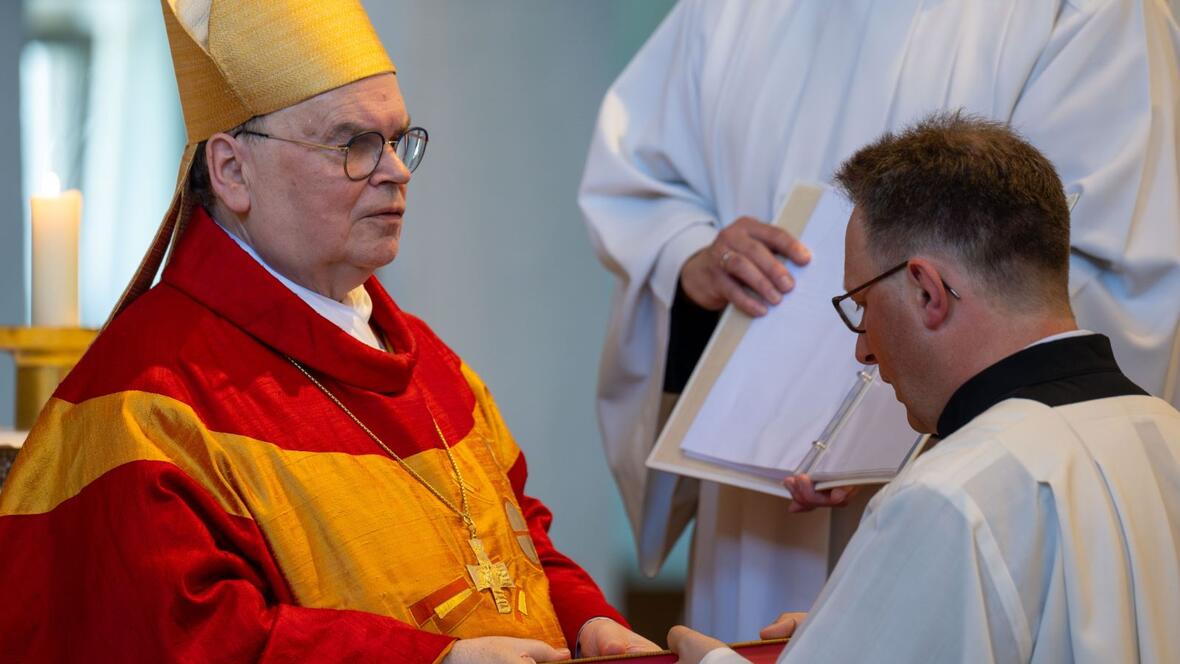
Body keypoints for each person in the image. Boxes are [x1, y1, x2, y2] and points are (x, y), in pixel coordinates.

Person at [0, 1, 657, 662]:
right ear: (231, 171)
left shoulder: (431, 366)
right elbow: (181, 637)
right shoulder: (148, 401)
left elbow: (515, 539)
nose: (397, 171)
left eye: (399, 140)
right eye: (355, 145)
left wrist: (583, 622)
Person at [578, 0, 1180, 640]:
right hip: (753, 506)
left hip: (961, 484)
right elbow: (642, 194)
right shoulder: (726, 13)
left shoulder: (1085, 12)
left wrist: (863, 437)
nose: (861, 351)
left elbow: (1075, 259)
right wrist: (689, 262)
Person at [666, 113, 1180, 663]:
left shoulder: (949, 494)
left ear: (927, 292)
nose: (863, 350)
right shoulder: (1167, 433)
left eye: (861, 305)